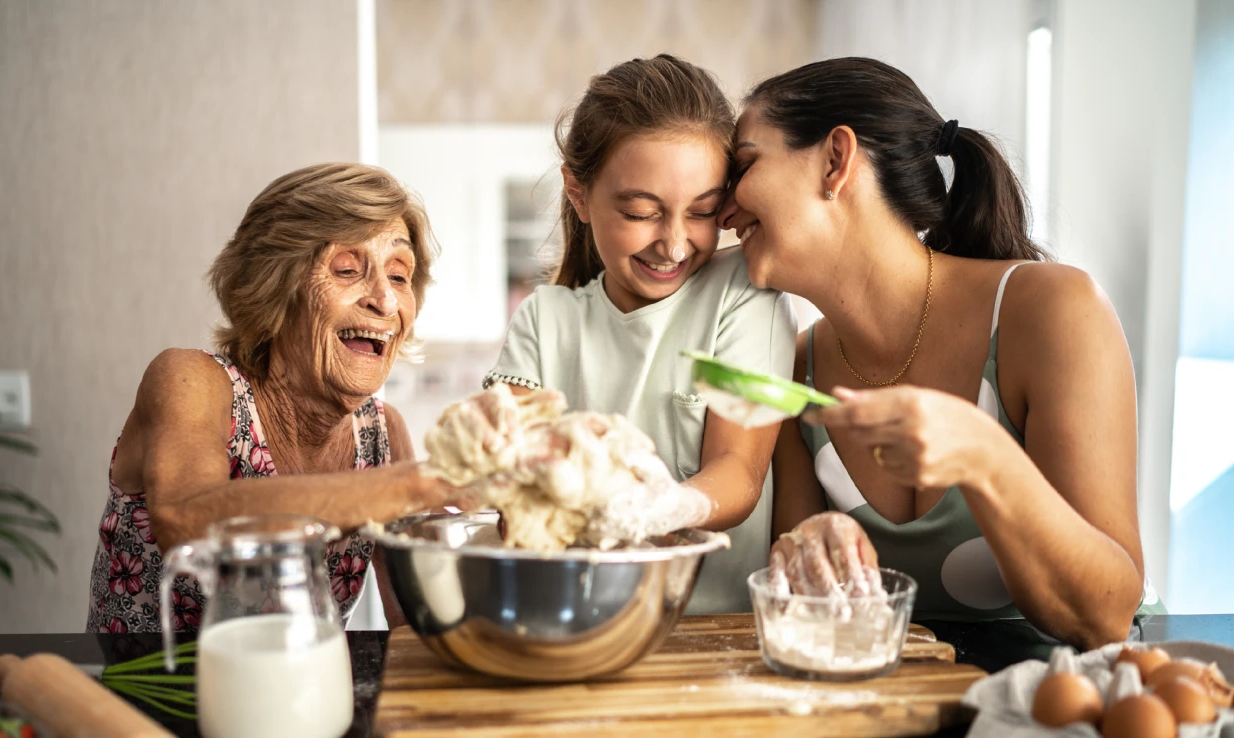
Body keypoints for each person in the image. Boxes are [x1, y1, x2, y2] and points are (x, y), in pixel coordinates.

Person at [718, 58, 1162, 648]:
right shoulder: (796, 370)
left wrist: (983, 456)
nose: (723, 212)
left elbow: (1103, 617)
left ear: (835, 160)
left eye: (745, 165)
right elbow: (814, 624)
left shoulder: (1054, 311)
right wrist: (803, 553)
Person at [485, 55, 799, 613]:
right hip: (579, 622)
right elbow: (516, 484)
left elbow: (740, 473)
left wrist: (665, 506)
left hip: (714, 637)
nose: (675, 245)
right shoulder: (545, 319)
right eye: (640, 212)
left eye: (701, 212)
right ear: (579, 194)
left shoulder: (742, 292)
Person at [86, 163, 456, 633]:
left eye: (400, 276)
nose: (384, 301)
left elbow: (416, 621)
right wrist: (417, 485)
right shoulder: (191, 381)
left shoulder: (382, 435)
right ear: (276, 286)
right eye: (347, 269)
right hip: (142, 699)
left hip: (298, 699)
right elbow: (184, 518)